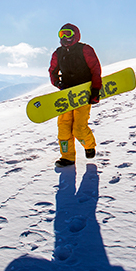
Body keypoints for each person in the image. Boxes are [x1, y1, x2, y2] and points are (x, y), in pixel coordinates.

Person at [48, 23, 101, 168]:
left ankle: (89, 145)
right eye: (62, 34)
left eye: (68, 34)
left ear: (75, 35)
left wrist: (95, 90)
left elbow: (95, 69)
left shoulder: (85, 50)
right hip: (66, 94)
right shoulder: (58, 53)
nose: (65, 37)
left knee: (78, 127)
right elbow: (52, 71)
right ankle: (67, 157)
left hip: (83, 94)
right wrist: (57, 83)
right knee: (63, 126)